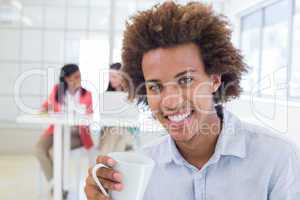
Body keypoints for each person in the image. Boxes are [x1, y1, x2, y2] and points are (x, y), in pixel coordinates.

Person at [85, 2, 300, 200]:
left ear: (215, 79)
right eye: (155, 86)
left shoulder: (278, 159)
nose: (170, 102)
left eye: (186, 80)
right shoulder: (140, 172)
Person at [34, 64, 93, 194]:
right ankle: (56, 185)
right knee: (39, 149)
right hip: (56, 129)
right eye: (75, 76)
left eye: (80, 76)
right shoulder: (57, 90)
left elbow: (89, 117)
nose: (79, 79)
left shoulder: (87, 94)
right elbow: (48, 104)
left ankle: (57, 188)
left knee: (56, 150)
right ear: (66, 78)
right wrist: (43, 108)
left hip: (77, 133)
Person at [97, 63, 136, 156]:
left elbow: (134, 116)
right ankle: (113, 164)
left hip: (128, 130)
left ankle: (103, 164)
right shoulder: (107, 95)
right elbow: (103, 115)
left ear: (123, 77)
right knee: (116, 132)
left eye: (114, 76)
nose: (111, 80)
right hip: (109, 129)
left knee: (118, 131)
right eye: (110, 77)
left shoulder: (132, 94)